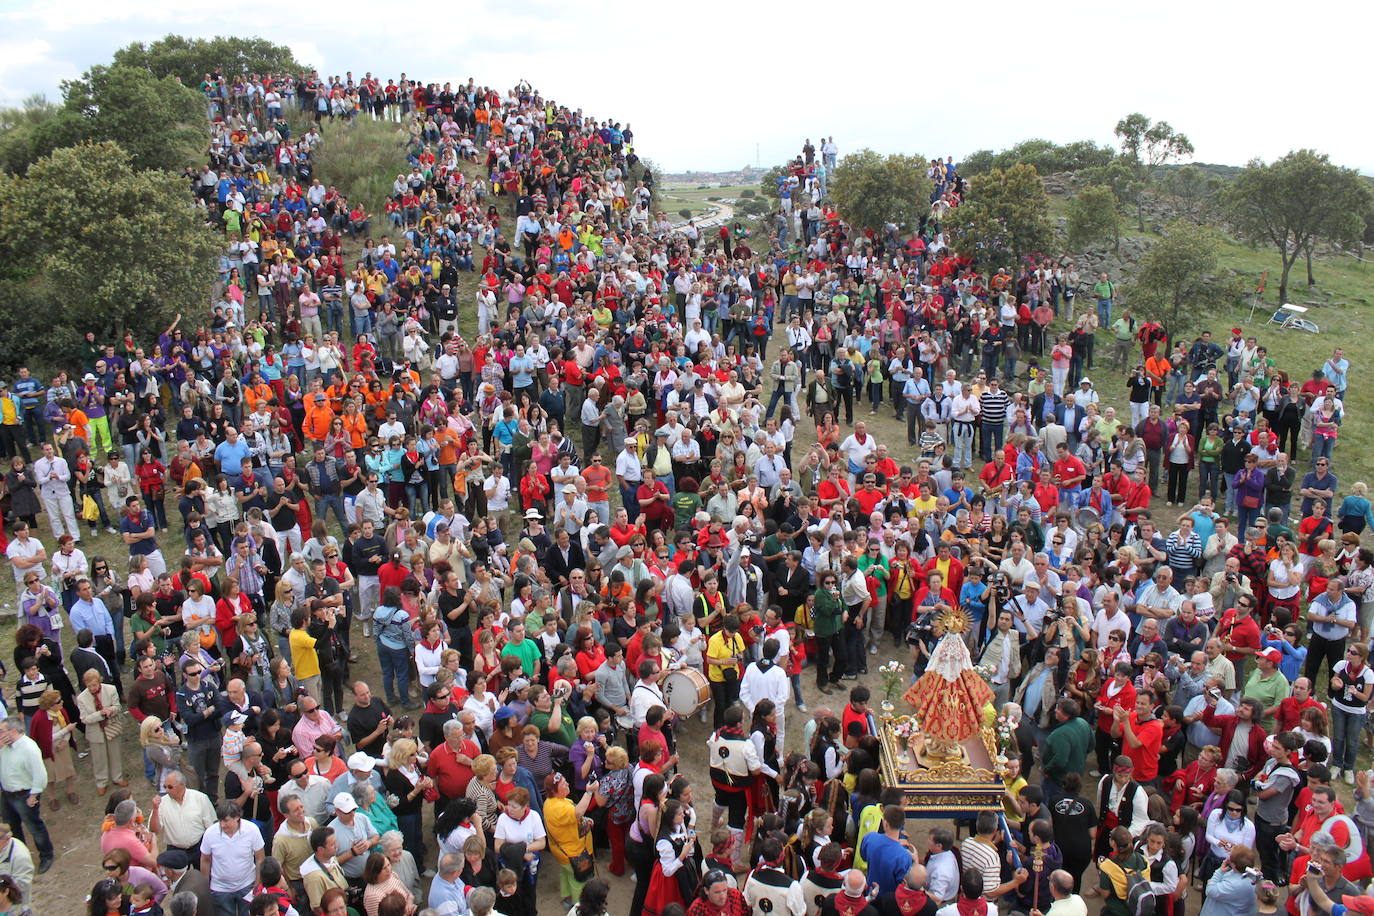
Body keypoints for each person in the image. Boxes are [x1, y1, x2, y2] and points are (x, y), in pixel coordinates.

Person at [0, 717, 50, 875]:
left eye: (1, 731)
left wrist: (34, 795)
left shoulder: (29, 747)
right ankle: (19, 856)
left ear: (12, 731)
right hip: (7, 795)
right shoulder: (4, 747)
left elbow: (40, 775)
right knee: (12, 828)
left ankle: (46, 855)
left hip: (25, 795)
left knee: (34, 827)